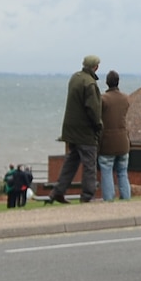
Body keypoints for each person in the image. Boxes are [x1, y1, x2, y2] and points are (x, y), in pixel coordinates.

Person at [48, 56, 104, 203]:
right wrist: (98, 126)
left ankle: (57, 192)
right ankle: (87, 196)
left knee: (71, 162)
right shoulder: (90, 83)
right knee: (89, 165)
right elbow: (93, 109)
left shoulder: (75, 78)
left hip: (71, 131)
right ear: (96, 67)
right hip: (85, 132)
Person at [97, 72, 131, 201]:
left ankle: (109, 200)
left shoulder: (103, 99)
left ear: (107, 82)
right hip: (123, 141)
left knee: (106, 171)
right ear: (118, 81)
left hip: (108, 142)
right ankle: (126, 198)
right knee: (123, 172)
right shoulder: (126, 98)